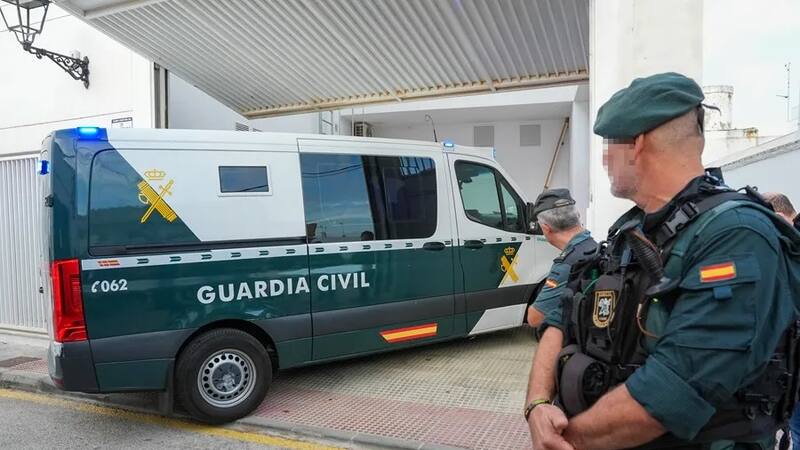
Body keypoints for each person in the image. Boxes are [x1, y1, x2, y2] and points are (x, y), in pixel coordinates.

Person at [525, 72, 800, 450]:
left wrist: (561, 441)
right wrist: (538, 404)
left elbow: (669, 395)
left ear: (636, 144)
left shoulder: (738, 236)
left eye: (609, 145)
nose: (605, 159)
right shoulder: (634, 229)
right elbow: (560, 317)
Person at [526, 189, 596, 330]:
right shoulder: (596, 247)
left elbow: (534, 318)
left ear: (546, 228)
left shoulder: (566, 264)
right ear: (578, 216)